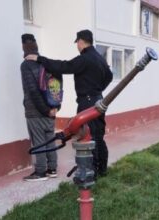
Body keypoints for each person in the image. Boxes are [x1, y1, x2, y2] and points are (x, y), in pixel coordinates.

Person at [25, 29, 113, 177]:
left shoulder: (84, 59)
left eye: (77, 43)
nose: (77, 46)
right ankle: (102, 169)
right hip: (99, 100)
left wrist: (40, 59)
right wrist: (98, 89)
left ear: (81, 41)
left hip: (87, 102)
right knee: (98, 135)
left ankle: (93, 172)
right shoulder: (99, 58)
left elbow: (63, 66)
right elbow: (109, 76)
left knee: (89, 137)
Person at [20, 34, 59, 181]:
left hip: (35, 112)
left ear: (23, 46)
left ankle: (41, 172)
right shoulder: (45, 62)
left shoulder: (26, 65)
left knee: (39, 141)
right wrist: (55, 108)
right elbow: (57, 86)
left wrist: (45, 110)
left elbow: (33, 91)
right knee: (50, 139)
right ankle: (52, 168)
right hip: (51, 109)